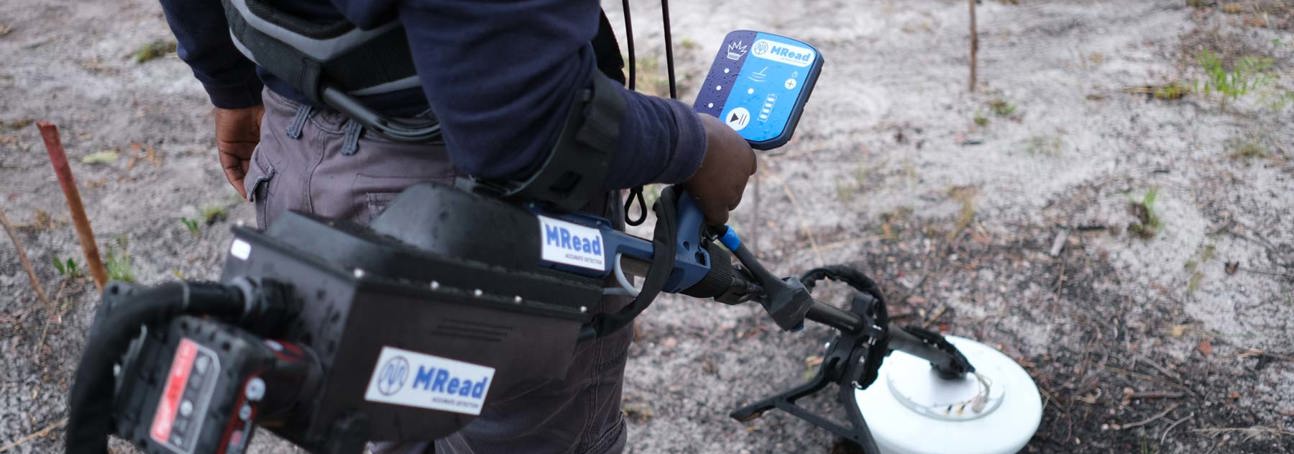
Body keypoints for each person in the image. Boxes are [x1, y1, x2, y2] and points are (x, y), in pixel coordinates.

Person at [157, 0, 756, 452]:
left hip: (293, 140)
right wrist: (697, 146)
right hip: (462, 195)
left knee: (377, 418)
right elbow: (526, 124)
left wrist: (226, 78)